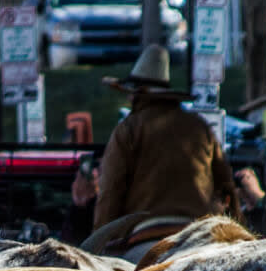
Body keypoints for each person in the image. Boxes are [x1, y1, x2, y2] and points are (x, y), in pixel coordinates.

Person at [93, 45, 237, 230]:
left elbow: (111, 190)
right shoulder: (199, 126)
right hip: (198, 230)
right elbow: (226, 184)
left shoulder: (129, 129)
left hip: (146, 228)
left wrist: (100, 242)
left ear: (137, 95)